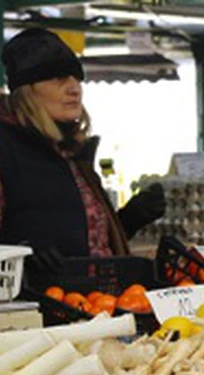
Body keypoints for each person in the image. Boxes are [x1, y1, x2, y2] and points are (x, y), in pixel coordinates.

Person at [0, 28, 165, 272]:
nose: (73, 88)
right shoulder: (6, 149)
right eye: (57, 79)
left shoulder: (72, 155)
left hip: (92, 301)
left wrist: (129, 220)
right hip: (32, 306)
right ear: (26, 91)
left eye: (76, 78)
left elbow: (88, 243)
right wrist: (17, 253)